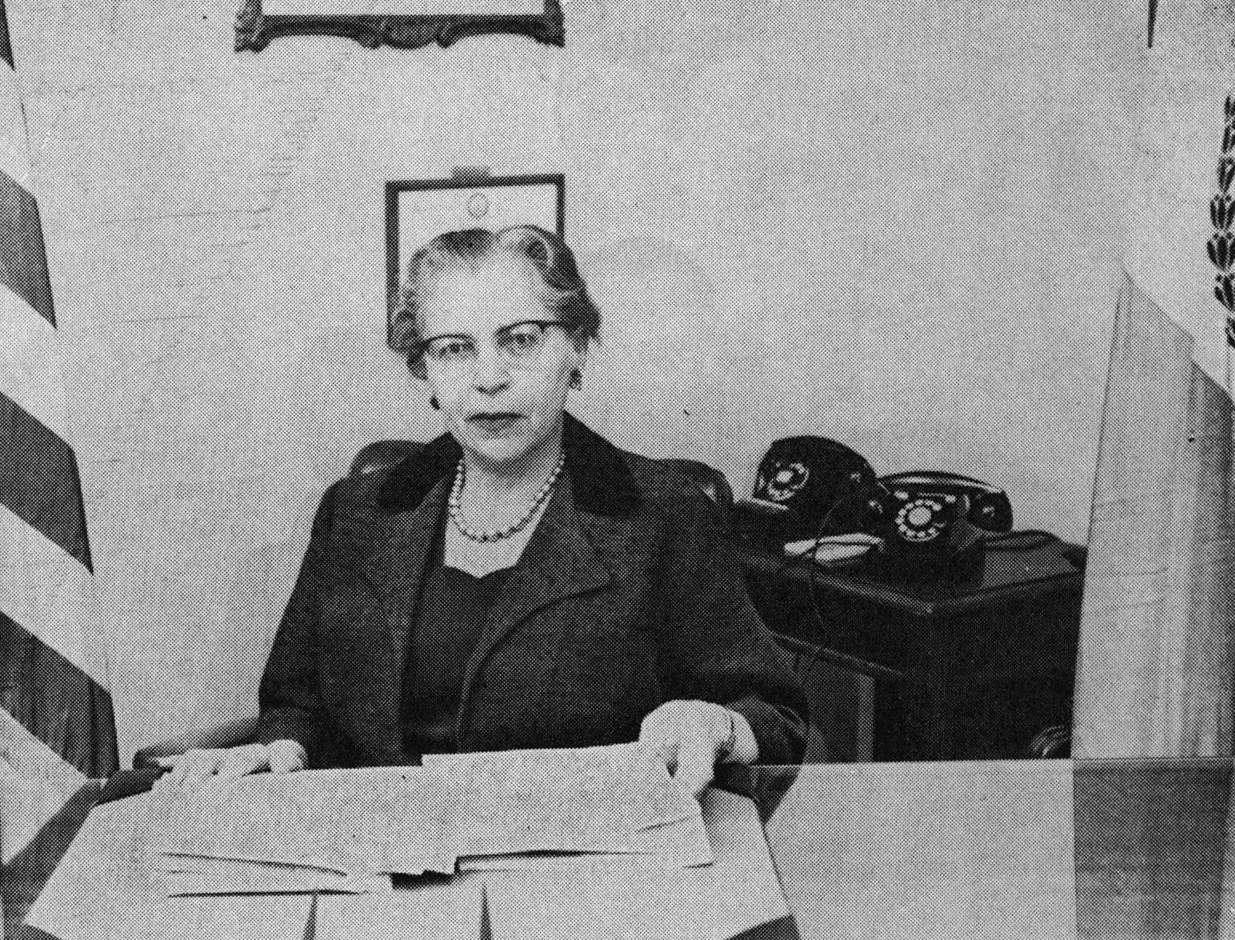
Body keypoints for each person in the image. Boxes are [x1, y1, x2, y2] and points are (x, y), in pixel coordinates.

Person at [161, 225, 806, 794]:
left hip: (591, 882)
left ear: (577, 348)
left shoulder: (664, 515)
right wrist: (281, 746)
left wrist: (717, 724)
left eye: (519, 340)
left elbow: (777, 718)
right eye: (454, 349)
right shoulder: (361, 512)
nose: (488, 377)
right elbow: (295, 704)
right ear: (425, 373)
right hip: (382, 867)